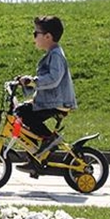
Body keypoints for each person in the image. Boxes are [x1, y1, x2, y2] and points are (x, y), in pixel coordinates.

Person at [16, 15, 77, 163]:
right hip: (52, 100)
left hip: (57, 102)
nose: (34, 37)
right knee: (22, 111)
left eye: (36, 33)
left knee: (23, 113)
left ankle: (49, 141)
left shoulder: (56, 55)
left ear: (48, 36)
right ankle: (36, 156)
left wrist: (33, 81)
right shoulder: (52, 53)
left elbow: (53, 79)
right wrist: (25, 82)